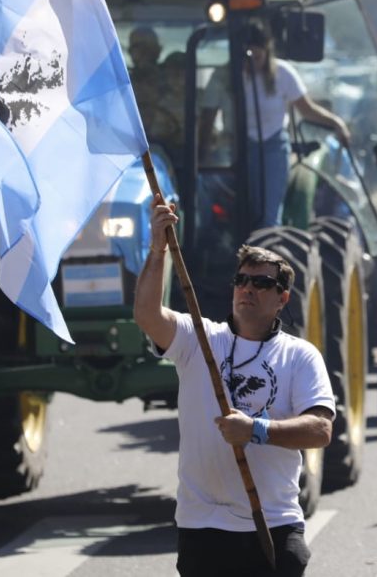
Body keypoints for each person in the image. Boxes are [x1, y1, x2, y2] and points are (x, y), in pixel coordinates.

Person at [135, 197, 335, 576]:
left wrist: (256, 430)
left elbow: (320, 429)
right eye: (241, 280)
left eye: (261, 283)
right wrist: (157, 248)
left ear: (282, 298)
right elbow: (146, 314)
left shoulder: (300, 356)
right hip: (203, 525)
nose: (248, 289)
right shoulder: (199, 339)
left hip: (273, 522)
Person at [202, 22, 351, 229]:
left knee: (267, 215)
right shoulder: (223, 77)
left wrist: (336, 122)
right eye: (246, 59)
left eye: (257, 58)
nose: (251, 64)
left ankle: (267, 242)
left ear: (267, 51)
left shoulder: (283, 73)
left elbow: (306, 109)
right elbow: (207, 120)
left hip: (272, 147)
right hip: (235, 148)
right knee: (221, 203)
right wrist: (203, 153)